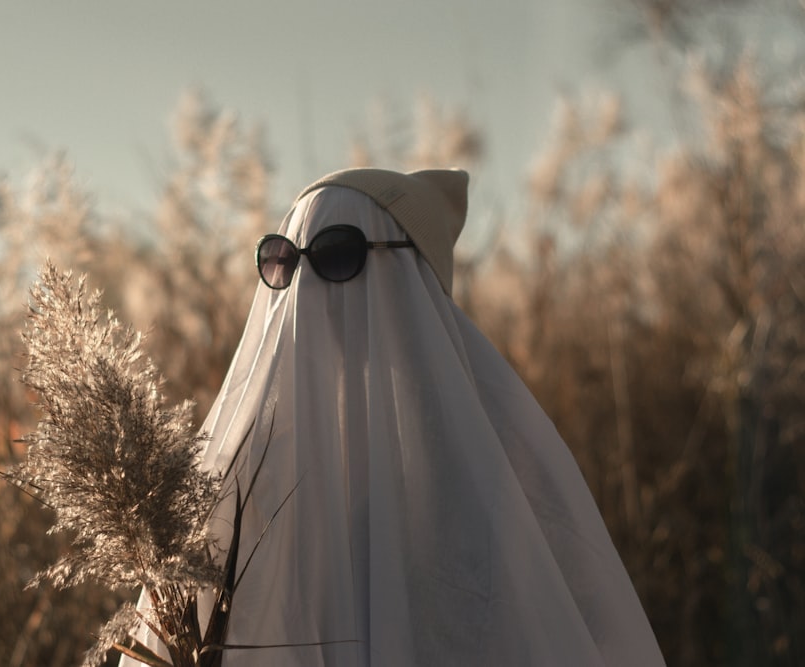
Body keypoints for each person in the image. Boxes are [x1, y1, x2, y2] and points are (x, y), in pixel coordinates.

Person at [123, 168, 666, 666]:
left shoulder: (506, 457)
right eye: (284, 259)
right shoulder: (232, 472)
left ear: (408, 273)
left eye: (339, 254)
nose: (306, 283)